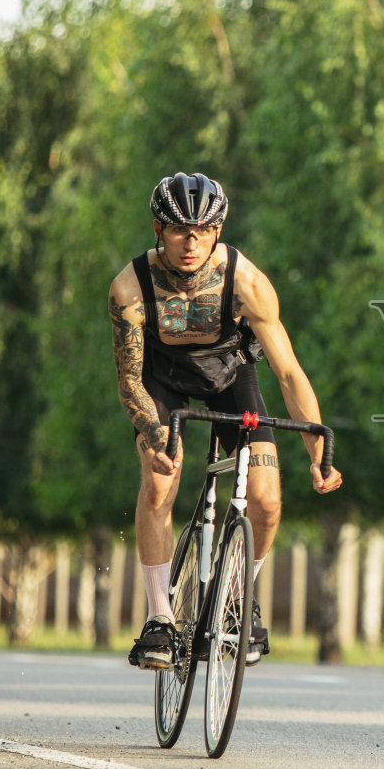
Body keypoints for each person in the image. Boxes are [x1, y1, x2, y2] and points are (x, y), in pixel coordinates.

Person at [108, 172, 342, 670]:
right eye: (178, 230)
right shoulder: (130, 287)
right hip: (164, 387)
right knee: (158, 483)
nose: (190, 242)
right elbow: (130, 380)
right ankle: (160, 621)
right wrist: (155, 435)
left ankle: (238, 597)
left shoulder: (247, 282)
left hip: (233, 379)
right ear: (158, 229)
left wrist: (318, 455)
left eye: (202, 230)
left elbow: (288, 372)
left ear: (218, 229)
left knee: (268, 501)